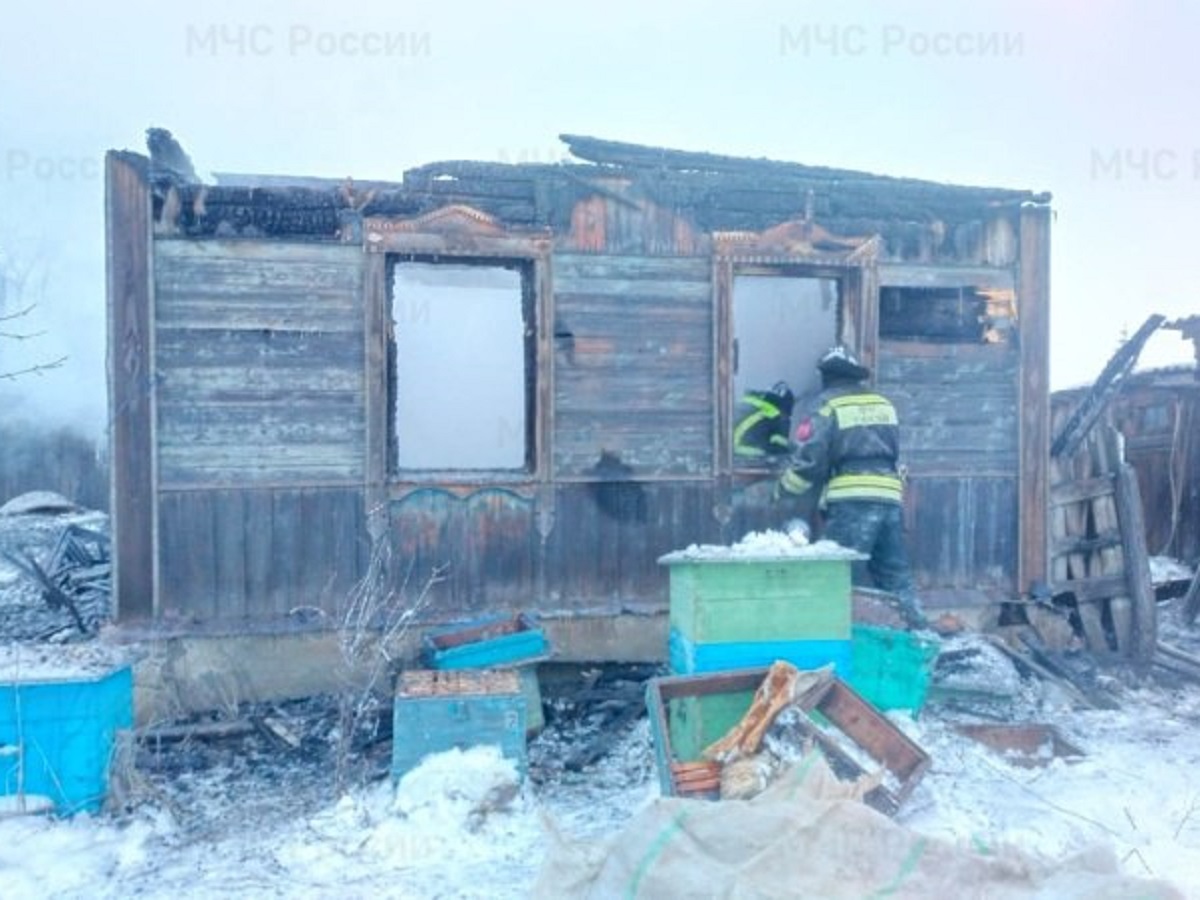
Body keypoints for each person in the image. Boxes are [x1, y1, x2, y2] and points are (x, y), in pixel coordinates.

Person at [775, 345, 927, 629]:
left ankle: (834, 634)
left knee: (839, 573)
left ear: (827, 377)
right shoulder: (884, 404)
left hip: (853, 500)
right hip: (890, 496)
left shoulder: (828, 405)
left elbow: (811, 460)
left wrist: (783, 490)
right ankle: (918, 634)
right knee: (895, 575)